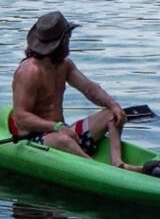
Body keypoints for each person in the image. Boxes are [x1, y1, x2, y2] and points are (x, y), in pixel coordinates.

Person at [10, 11, 141, 171]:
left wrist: (113, 105)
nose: (68, 42)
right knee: (63, 140)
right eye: (67, 39)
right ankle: (98, 170)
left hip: (63, 130)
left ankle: (117, 162)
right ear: (61, 41)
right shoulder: (29, 71)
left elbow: (90, 89)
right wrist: (56, 127)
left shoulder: (64, 65)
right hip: (35, 137)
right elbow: (21, 118)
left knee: (110, 114)